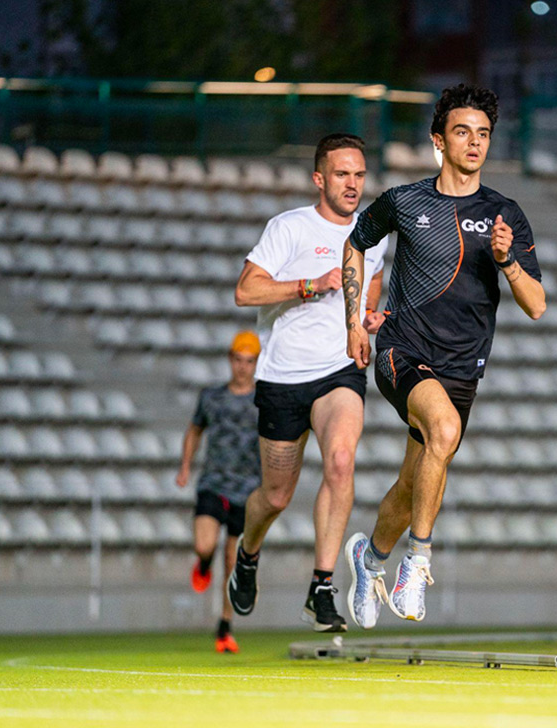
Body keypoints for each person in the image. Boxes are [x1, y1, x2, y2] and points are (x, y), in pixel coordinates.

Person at [341, 84, 546, 628]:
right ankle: (417, 562)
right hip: (402, 351)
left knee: (413, 486)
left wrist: (506, 260)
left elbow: (536, 305)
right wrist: (354, 320)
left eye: (483, 133)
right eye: (462, 132)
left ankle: (371, 558)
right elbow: (357, 243)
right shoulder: (405, 202)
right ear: (439, 140)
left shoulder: (505, 213)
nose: (474, 142)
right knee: (445, 431)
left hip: (462, 369)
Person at [228, 133, 388, 632]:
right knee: (275, 497)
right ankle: (248, 552)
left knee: (341, 461)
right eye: (342, 174)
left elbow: (373, 282)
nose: (352, 184)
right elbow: (245, 290)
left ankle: (322, 586)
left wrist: (367, 318)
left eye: (359, 175)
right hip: (282, 377)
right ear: (320, 178)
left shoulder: (374, 233)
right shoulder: (290, 227)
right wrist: (309, 285)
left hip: (339, 370)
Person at [175, 330, 262, 654]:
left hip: (248, 489)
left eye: (249, 361)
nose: (242, 367)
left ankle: (225, 626)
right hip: (213, 483)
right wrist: (186, 465)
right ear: (230, 360)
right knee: (204, 544)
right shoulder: (211, 397)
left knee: (233, 561)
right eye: (238, 360)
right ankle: (202, 564)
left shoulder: (262, 399)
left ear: (256, 363)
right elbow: (195, 429)